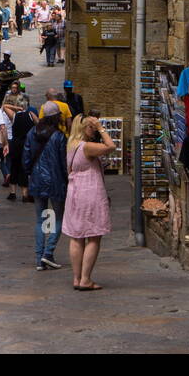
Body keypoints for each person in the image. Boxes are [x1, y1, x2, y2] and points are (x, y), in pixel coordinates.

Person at [62, 114, 115, 290]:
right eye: (91, 127)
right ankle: (85, 279)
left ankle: (77, 278)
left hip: (74, 192)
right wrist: (101, 128)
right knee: (94, 236)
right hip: (89, 193)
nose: (94, 130)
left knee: (76, 236)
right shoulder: (87, 147)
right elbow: (111, 146)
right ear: (84, 128)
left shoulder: (71, 145)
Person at [22, 104, 68, 270]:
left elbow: (26, 156)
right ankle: (48, 253)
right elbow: (64, 162)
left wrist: (29, 174)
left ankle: (39, 258)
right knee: (58, 218)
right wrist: (67, 179)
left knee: (41, 220)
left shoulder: (32, 133)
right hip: (55, 181)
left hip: (37, 179)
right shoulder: (59, 136)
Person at [7, 94, 37, 202]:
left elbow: (5, 106)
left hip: (15, 144)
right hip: (27, 144)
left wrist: (16, 108)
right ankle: (25, 194)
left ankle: (12, 192)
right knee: (25, 168)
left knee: (14, 167)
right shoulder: (31, 115)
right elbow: (38, 124)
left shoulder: (15, 116)